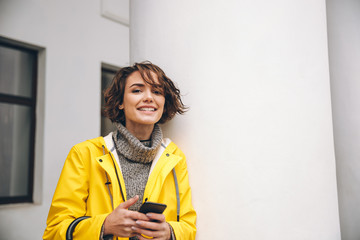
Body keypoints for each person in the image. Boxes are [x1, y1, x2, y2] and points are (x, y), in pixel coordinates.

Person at [43, 62, 196, 240]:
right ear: (120, 102)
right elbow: (54, 231)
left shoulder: (175, 157)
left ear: (164, 102)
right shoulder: (84, 154)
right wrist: (105, 226)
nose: (149, 98)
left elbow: (188, 225)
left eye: (157, 91)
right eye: (137, 90)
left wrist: (170, 232)